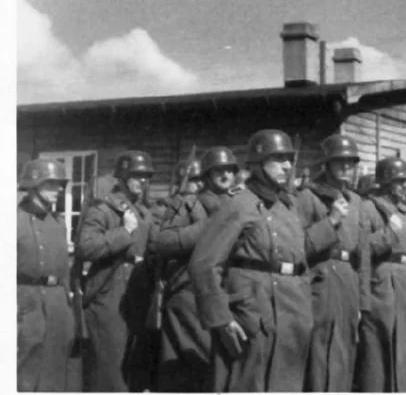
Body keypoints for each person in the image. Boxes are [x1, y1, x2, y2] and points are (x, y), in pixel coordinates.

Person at [188, 130, 313, 392]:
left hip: (293, 316)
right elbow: (204, 264)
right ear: (257, 163)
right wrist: (221, 318)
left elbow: (300, 261)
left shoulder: (289, 206)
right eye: (278, 159)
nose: (287, 166)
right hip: (254, 317)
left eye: (289, 159)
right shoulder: (239, 205)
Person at [76, 151, 158, 391]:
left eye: (146, 176)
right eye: (136, 175)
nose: (142, 181)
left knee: (132, 365)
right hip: (109, 292)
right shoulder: (102, 208)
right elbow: (85, 247)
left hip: (137, 290)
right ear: (122, 177)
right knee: (109, 367)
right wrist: (124, 232)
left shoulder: (143, 212)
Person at [296, 134, 371, 392]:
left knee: (345, 351)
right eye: (339, 162)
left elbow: (363, 254)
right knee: (319, 351)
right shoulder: (308, 197)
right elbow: (299, 246)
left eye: (350, 162)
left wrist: (362, 300)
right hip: (321, 280)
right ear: (326, 164)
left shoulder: (357, 201)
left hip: (348, 283)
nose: (346, 167)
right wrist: (332, 221)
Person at [149, 158, 212, 392]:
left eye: (198, 180)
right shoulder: (166, 208)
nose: (195, 186)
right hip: (176, 287)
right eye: (191, 180)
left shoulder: (206, 205)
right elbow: (158, 243)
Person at [355, 157, 406, 392]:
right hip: (380, 284)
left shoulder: (405, 211)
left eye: (405, 181)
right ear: (385, 182)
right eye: (398, 181)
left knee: (402, 347)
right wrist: (388, 233)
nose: (403, 186)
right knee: (376, 353)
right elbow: (362, 249)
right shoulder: (368, 207)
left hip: (402, 284)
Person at [17, 158, 74, 391]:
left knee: (56, 365)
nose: (59, 189)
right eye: (52, 183)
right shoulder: (14, 219)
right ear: (33, 185)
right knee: (28, 364)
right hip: (25, 299)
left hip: (57, 300)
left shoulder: (58, 222)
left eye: (60, 184)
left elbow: (64, 268)